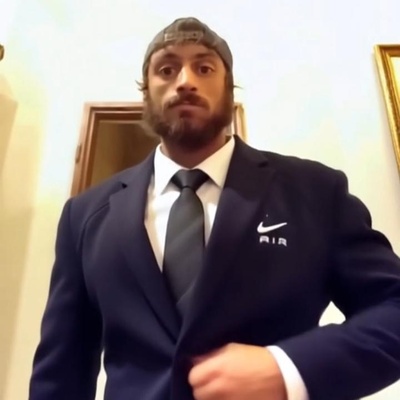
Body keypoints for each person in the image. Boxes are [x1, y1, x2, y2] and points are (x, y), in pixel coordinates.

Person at [29, 17, 400, 400]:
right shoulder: (85, 216)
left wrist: (287, 368)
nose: (185, 81)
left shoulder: (315, 192)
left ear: (229, 87)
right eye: (166, 69)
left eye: (204, 68)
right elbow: (61, 371)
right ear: (146, 91)